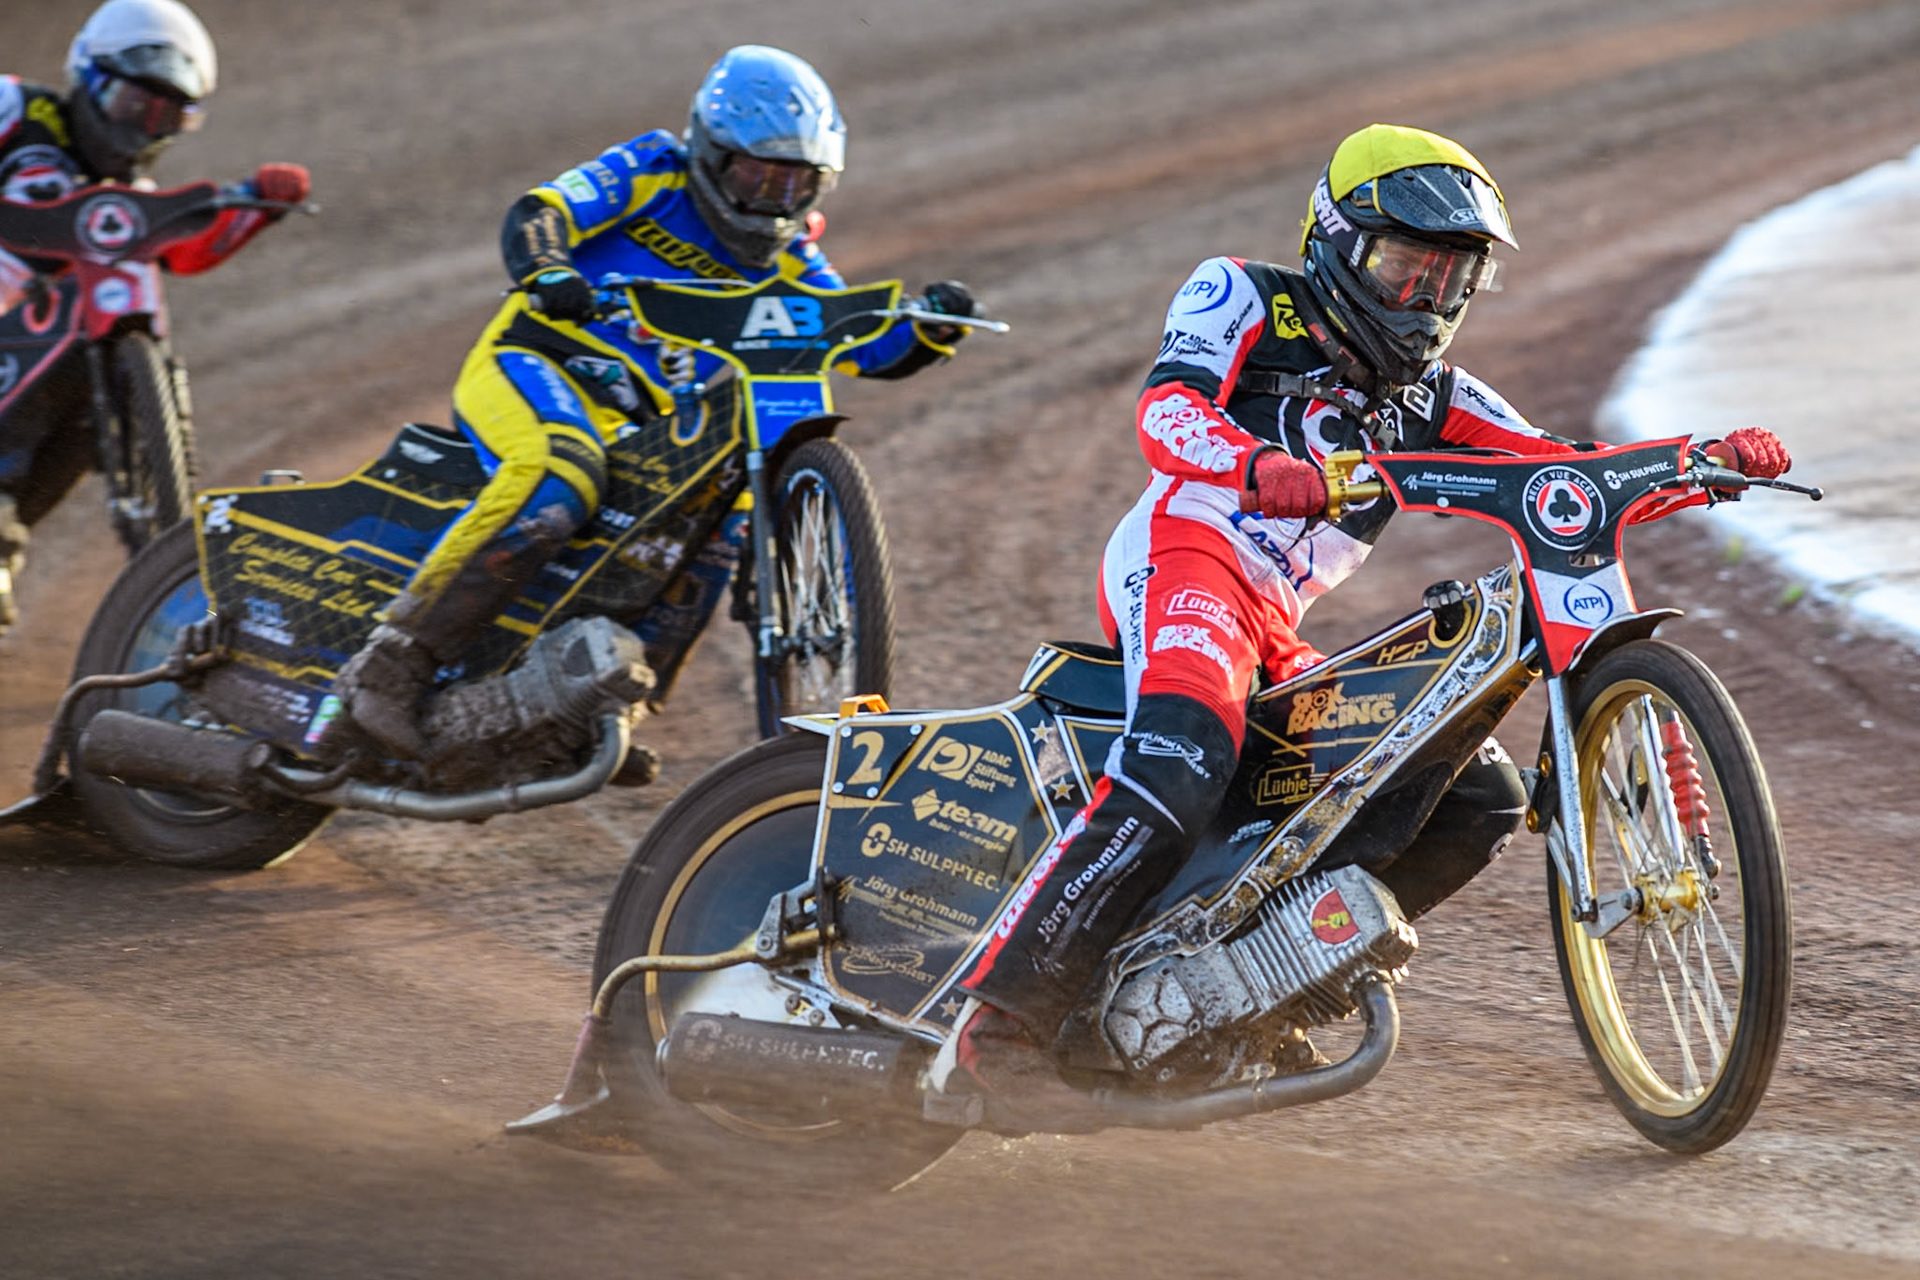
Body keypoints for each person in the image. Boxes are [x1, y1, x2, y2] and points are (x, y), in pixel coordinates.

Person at [934, 123, 1792, 1112]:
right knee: (1186, 754)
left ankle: (1249, 987)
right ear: (1335, 242)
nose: (1424, 302)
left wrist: (1703, 459)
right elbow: (1165, 410)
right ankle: (1004, 1018)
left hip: (1274, 620)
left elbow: (1560, 466)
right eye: (1404, 268)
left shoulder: (1438, 395)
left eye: (1449, 280)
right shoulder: (1244, 295)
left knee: (1480, 797)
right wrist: (1253, 465)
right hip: (1188, 560)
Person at [326, 44, 979, 761]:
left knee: (715, 525)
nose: (771, 199)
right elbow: (542, 212)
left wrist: (931, 328)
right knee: (560, 476)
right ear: (709, 149)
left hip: (637, 422)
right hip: (538, 361)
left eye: (796, 184)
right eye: (757, 173)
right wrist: (547, 269)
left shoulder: (791, 257)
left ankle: (601, 709)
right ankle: (388, 667)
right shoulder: (652, 171)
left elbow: (863, 347)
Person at [0, 0, 311, 628]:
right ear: (87, 76)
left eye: (166, 115)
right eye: (132, 105)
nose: (141, 130)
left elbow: (186, 253)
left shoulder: (128, 206)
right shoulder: (15, 109)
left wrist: (256, 204)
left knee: (98, 376)